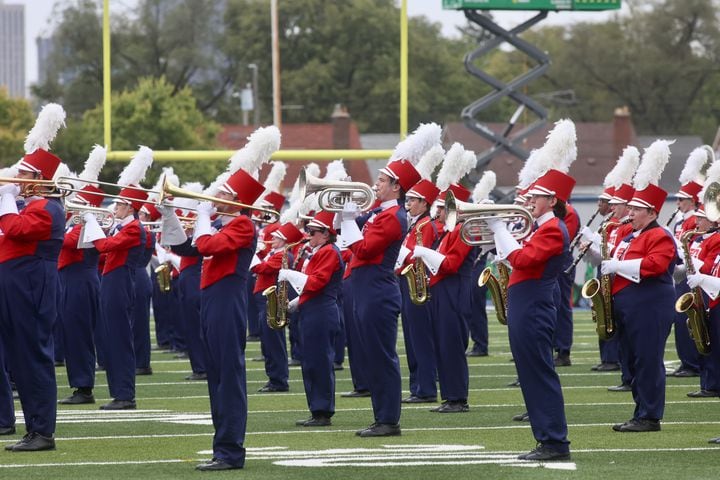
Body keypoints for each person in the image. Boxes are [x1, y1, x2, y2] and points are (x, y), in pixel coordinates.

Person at [487, 168, 574, 461]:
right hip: (527, 301)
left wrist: (498, 228)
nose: (530, 200)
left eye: (536, 196)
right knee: (530, 373)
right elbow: (514, 260)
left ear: (551, 200)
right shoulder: (538, 228)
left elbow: (524, 259)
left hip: (535, 303)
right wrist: (499, 233)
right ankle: (547, 439)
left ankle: (555, 442)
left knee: (539, 373)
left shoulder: (552, 228)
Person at [339, 159, 420, 437]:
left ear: (397, 187)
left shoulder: (394, 216)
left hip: (377, 290)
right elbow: (342, 231)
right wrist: (343, 207)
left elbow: (362, 249)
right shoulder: (378, 212)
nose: (376, 184)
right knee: (371, 356)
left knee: (382, 356)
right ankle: (381, 416)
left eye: (383, 180)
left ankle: (388, 419)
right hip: (366, 288)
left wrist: (349, 218)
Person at [602, 140, 677, 433]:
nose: (629, 214)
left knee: (647, 360)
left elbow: (655, 266)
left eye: (635, 209)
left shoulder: (660, 235)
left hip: (649, 305)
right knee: (632, 360)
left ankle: (649, 416)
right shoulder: (627, 235)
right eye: (630, 208)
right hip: (627, 305)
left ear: (652, 212)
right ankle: (640, 411)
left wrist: (618, 267)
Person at [0, 147, 65, 452]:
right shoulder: (29, 205)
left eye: (24, 174)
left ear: (40, 179)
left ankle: (42, 430)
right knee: (20, 359)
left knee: (33, 356)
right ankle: (34, 428)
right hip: (20, 285)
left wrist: (7, 198)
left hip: (33, 285)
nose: (16, 178)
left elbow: (15, 228)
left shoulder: (48, 207)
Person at [279, 211, 344, 427]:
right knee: (310, 362)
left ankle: (322, 411)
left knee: (319, 362)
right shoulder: (317, 252)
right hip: (312, 309)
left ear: (326, 234)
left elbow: (317, 283)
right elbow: (313, 288)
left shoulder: (329, 252)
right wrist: (295, 303)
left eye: (312, 231)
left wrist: (289, 275)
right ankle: (316, 409)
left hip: (322, 312)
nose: (308, 235)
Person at [57, 185, 106, 405]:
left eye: (78, 202)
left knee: (79, 334)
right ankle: (79, 384)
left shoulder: (89, 225)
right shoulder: (76, 223)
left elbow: (67, 242)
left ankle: (84, 387)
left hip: (80, 280)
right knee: (71, 333)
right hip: (70, 279)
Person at [395, 179, 440, 404]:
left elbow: (416, 254)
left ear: (424, 203)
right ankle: (417, 385)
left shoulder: (426, 226)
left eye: (412, 200)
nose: (408, 204)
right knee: (413, 339)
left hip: (419, 284)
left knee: (421, 339)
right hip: (408, 282)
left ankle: (426, 387)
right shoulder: (415, 225)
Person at [251, 222, 303, 393]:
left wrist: (251, 251)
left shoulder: (282, 256)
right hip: (263, 300)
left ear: (284, 241)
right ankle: (274, 378)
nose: (271, 239)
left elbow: (260, 268)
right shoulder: (274, 253)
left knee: (273, 342)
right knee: (268, 342)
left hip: (270, 301)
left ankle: (279, 380)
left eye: (276, 237)